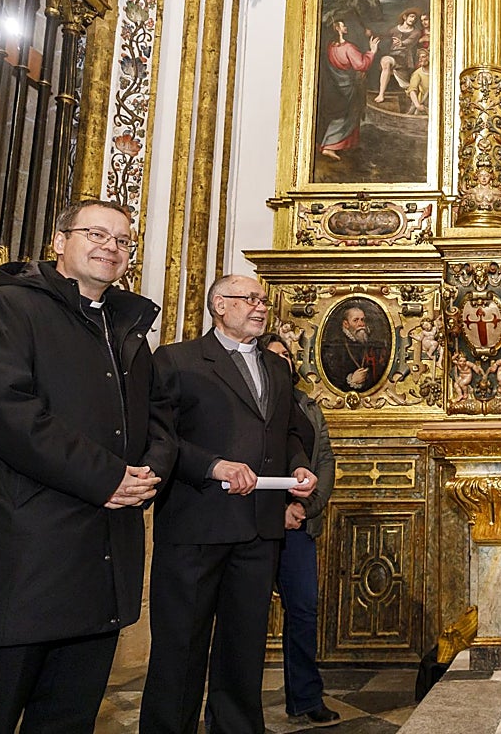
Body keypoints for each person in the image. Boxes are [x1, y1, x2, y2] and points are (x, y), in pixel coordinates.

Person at [0, 199, 167, 733]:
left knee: (67, 721)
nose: (110, 246)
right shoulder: (7, 308)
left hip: (100, 564)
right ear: (59, 242)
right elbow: (5, 410)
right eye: (95, 234)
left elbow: (156, 418)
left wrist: (148, 470)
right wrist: (106, 476)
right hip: (26, 562)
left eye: (122, 240)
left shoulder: (125, 328)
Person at [140, 274, 317, 734]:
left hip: (259, 529)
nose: (261, 307)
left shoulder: (278, 369)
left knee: (244, 647)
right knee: (181, 647)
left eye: (264, 300)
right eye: (250, 299)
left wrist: (297, 465)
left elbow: (291, 432)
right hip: (197, 524)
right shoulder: (177, 360)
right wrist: (213, 465)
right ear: (220, 304)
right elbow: (157, 433)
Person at [259, 333, 340, 726]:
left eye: (287, 356)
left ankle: (306, 697)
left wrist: (303, 507)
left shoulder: (307, 406)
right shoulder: (253, 401)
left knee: (304, 611)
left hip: (299, 525)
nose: (283, 361)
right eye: (274, 356)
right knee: (247, 613)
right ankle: (234, 703)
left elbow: (323, 459)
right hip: (256, 523)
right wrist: (276, 511)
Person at [317, 19, 381, 161]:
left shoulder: (331, 47)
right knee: (347, 116)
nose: (345, 26)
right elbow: (361, 65)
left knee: (349, 115)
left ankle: (346, 144)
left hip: (338, 85)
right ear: (337, 29)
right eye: (342, 25)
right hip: (349, 87)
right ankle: (329, 146)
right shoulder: (348, 48)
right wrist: (372, 51)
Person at [322, 304, 389, 392]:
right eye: (355, 320)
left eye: (362, 320)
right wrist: (352, 380)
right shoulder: (334, 348)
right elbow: (332, 376)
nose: (361, 324)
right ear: (346, 324)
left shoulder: (371, 344)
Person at [375, 8, 423, 103]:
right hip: (392, 56)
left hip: (404, 59)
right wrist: (372, 34)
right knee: (385, 61)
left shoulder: (416, 32)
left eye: (415, 17)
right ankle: (381, 94)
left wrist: (401, 43)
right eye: (411, 16)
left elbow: (410, 42)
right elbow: (384, 36)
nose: (413, 19)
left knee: (406, 86)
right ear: (405, 17)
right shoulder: (395, 29)